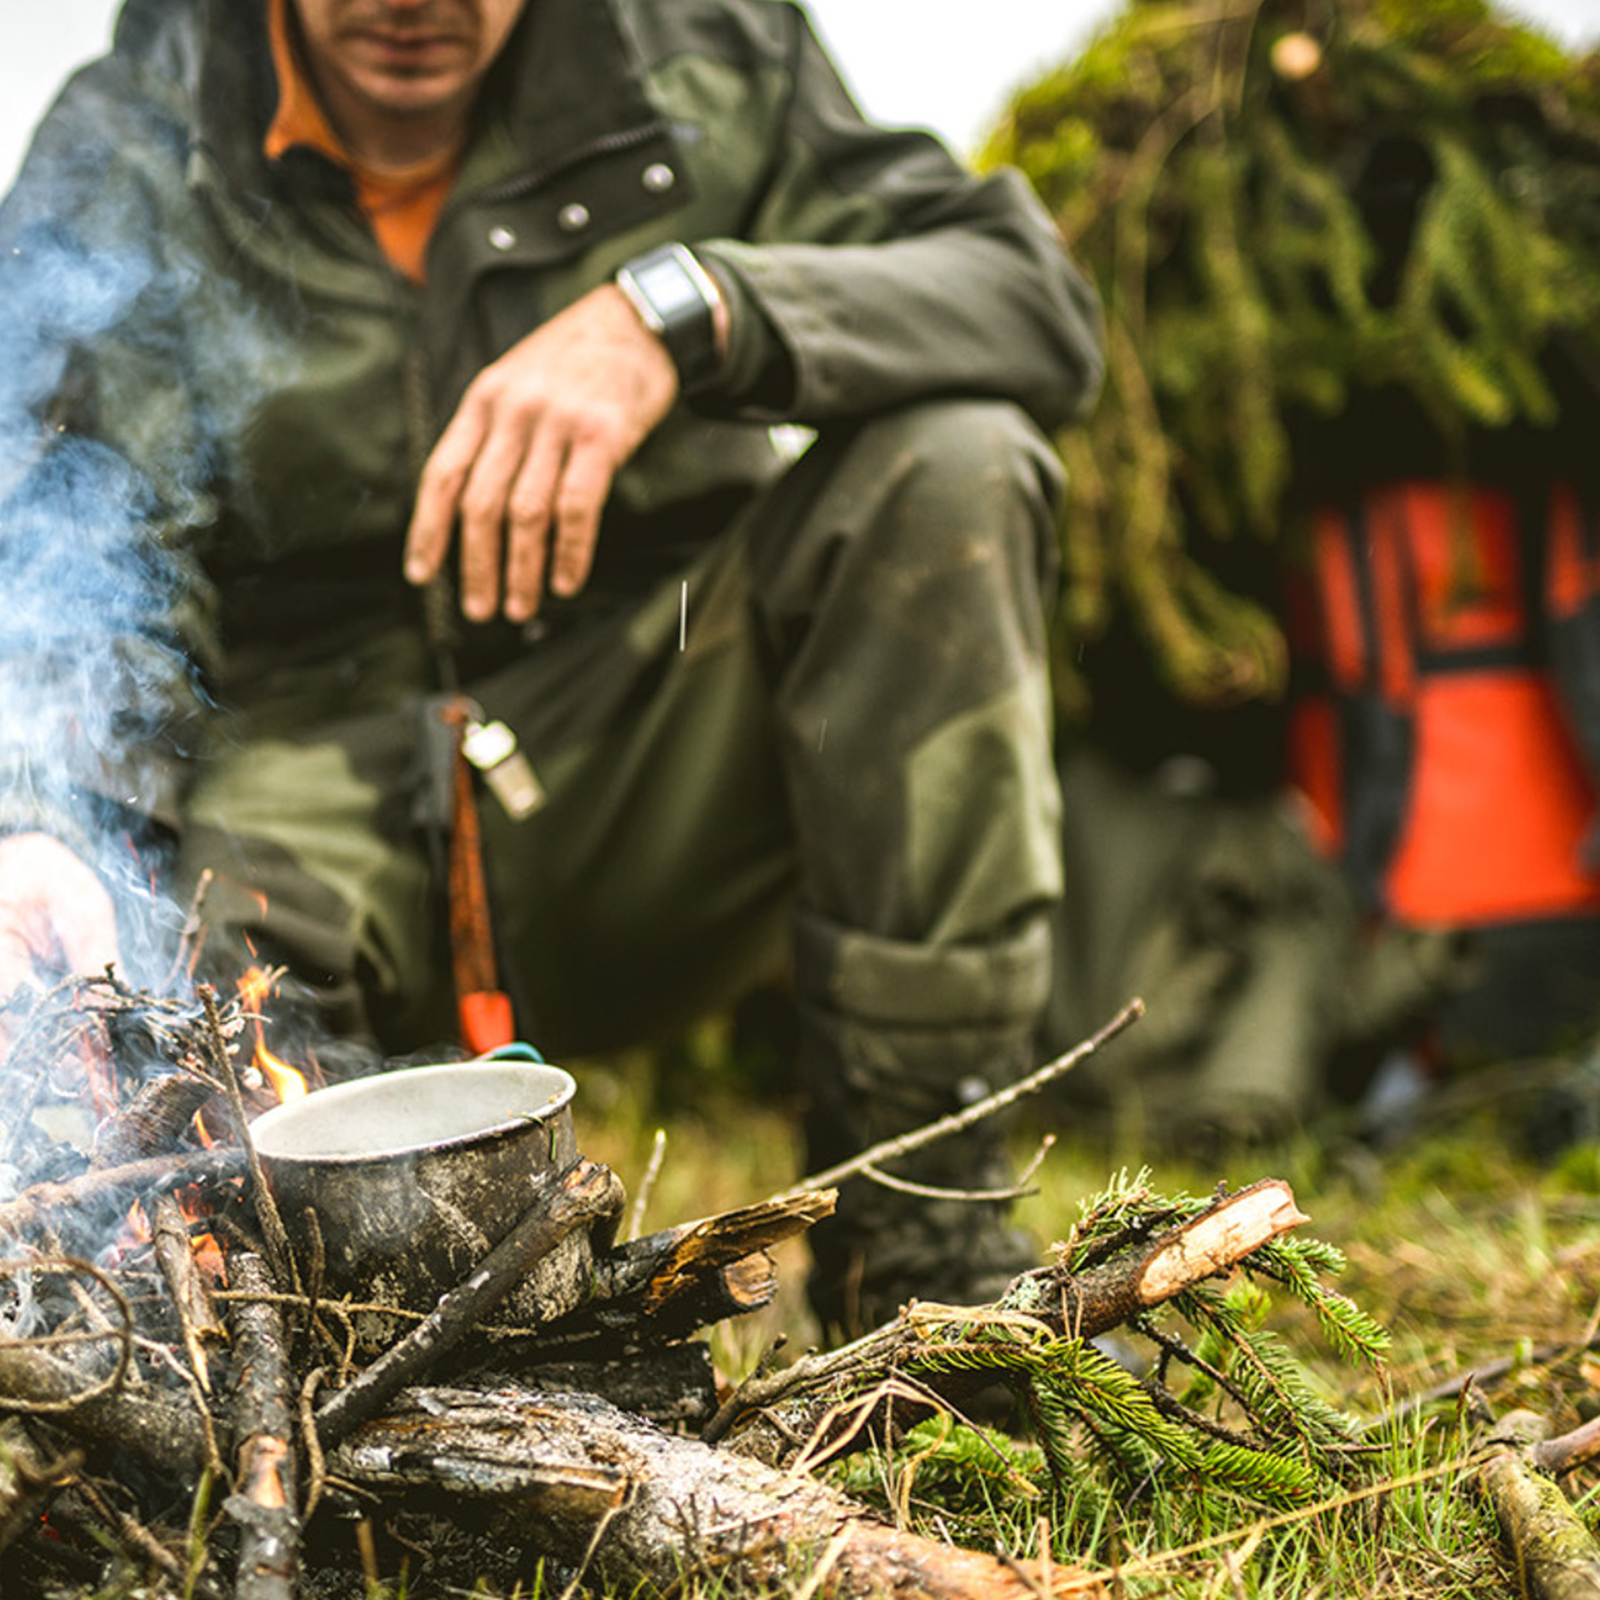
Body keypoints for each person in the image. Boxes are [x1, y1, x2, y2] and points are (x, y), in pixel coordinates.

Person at [0, 0, 1102, 1331]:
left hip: (654, 763)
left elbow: (1031, 295)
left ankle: (927, 1261)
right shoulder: (131, 142)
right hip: (300, 816)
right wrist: (46, 822)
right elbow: (83, 559)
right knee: (192, 1098)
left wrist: (684, 313)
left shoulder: (706, 57)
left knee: (955, 465)